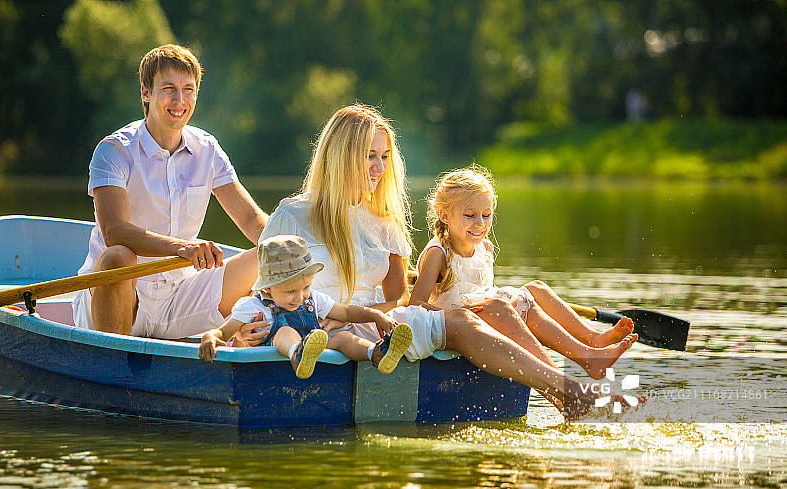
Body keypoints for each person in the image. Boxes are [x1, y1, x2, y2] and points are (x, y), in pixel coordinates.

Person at [253, 103, 642, 419]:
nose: (379, 167)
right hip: (310, 328)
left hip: (376, 326)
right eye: (369, 156)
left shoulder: (384, 222)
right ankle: (569, 389)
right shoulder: (292, 215)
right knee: (472, 312)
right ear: (339, 158)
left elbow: (398, 299)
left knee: (477, 311)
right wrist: (250, 329)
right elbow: (263, 293)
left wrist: (365, 313)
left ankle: (568, 389)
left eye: (384, 156)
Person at [72, 44, 269, 341]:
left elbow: (253, 221)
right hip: (118, 295)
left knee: (267, 253)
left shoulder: (208, 149)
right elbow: (114, 231)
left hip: (179, 297)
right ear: (146, 93)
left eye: (188, 90)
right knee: (117, 257)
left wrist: (293, 252)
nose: (180, 100)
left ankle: (257, 332)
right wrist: (183, 248)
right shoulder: (114, 150)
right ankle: (111, 362)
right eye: (168, 89)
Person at [409, 165, 638, 380]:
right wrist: (461, 312)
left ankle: (591, 341)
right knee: (511, 303)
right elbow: (416, 305)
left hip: (487, 316)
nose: (480, 223)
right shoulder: (437, 254)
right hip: (459, 327)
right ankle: (578, 365)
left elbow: (485, 291)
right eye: (470, 215)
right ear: (445, 216)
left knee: (535, 288)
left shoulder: (484, 248)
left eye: (486, 215)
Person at [198, 235, 414, 378]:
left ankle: (377, 353)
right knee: (284, 331)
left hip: (315, 351)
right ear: (268, 289)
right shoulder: (253, 306)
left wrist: (376, 315)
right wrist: (210, 336)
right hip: (274, 364)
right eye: (290, 291)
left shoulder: (313, 300)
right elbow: (223, 331)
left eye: (306, 288)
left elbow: (346, 311)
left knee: (343, 338)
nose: (300, 297)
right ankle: (297, 354)